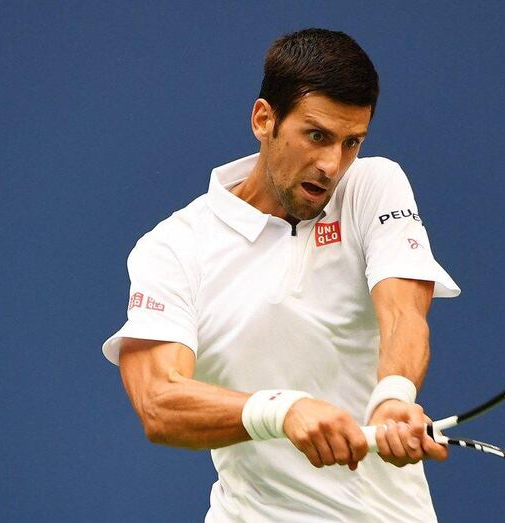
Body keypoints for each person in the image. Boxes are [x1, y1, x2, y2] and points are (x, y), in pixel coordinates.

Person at [102, 28, 460, 522]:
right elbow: (158, 402)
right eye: (316, 135)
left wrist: (395, 395)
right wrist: (281, 411)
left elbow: (404, 312)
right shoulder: (173, 248)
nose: (332, 164)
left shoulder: (373, 186)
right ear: (264, 119)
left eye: (351, 142)